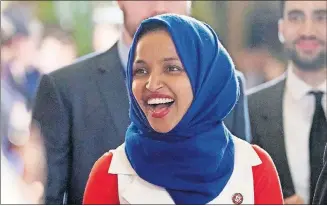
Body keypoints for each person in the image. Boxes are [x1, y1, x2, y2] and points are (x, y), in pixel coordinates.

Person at [32, 1, 251, 205]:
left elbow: (245, 180)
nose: (159, 5)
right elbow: (47, 196)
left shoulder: (223, 84)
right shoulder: (65, 88)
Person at [83, 14, 282, 205]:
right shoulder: (111, 173)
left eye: (172, 68)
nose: (151, 84)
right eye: (141, 71)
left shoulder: (255, 167)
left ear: (206, 80)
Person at [248, 1, 326, 204]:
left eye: (321, 17)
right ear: (281, 28)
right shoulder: (247, 110)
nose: (308, 31)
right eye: (296, 17)